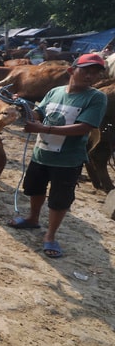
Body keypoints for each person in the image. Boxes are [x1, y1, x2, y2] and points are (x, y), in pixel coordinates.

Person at [7, 53, 108, 259]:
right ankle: (33, 218)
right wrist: (25, 108)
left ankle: (50, 235)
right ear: (72, 71)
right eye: (86, 71)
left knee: (59, 199)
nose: (90, 76)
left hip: (68, 160)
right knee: (35, 189)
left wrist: (43, 128)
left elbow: (84, 127)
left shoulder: (96, 97)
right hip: (41, 153)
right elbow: (39, 113)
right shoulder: (55, 92)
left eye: (95, 74)